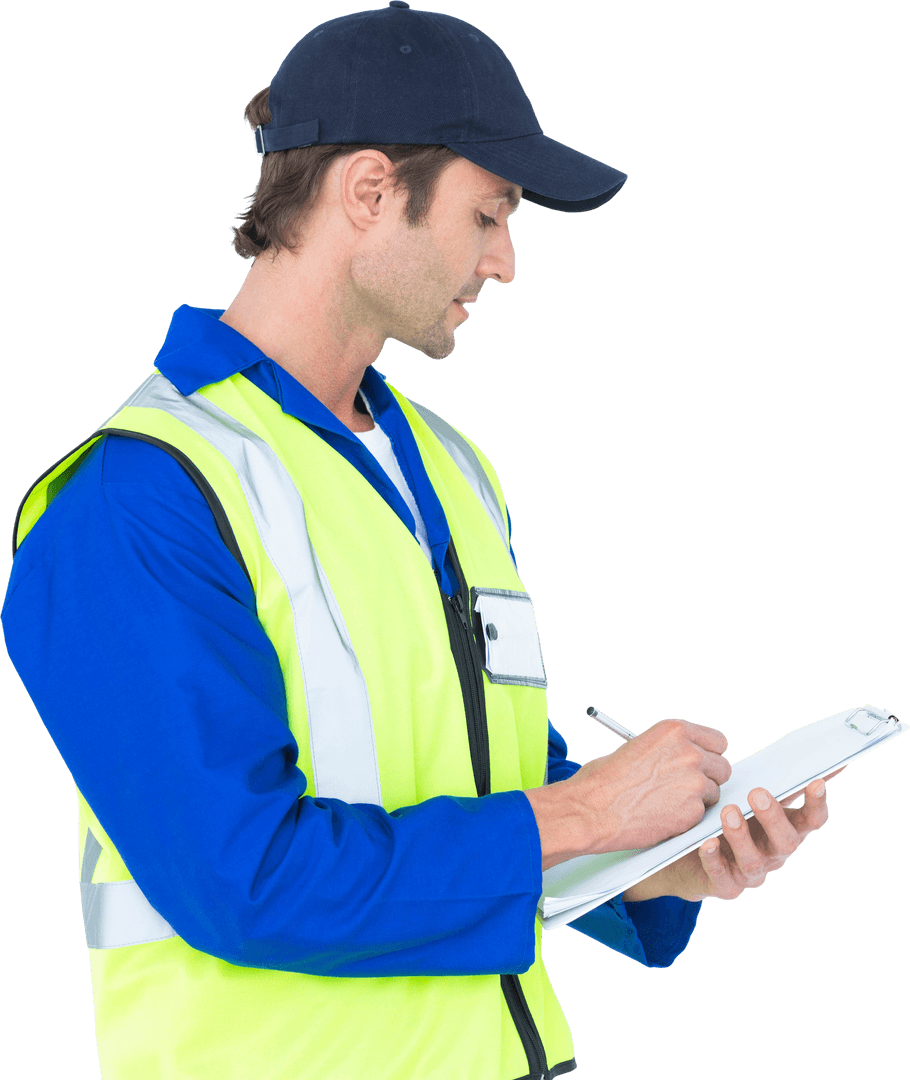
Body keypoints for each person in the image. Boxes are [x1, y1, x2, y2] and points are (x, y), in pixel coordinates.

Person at [1, 5, 843, 1079]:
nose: (505, 263)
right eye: (487, 215)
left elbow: (494, 788)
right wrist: (582, 811)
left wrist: (651, 862)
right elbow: (241, 877)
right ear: (368, 191)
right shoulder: (135, 498)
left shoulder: (454, 469)